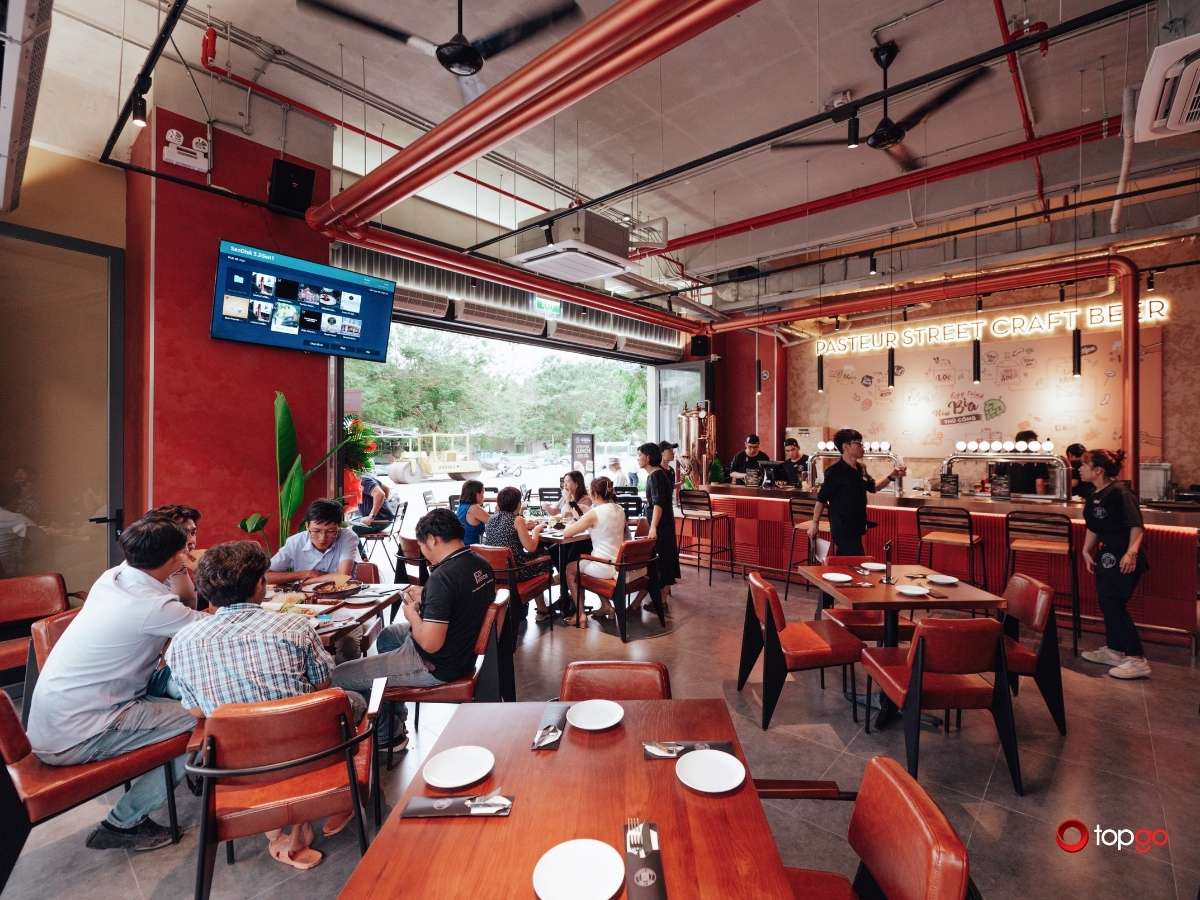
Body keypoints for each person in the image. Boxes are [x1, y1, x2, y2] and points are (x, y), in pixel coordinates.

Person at [166, 540, 360, 870]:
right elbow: (322, 685)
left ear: (205, 591)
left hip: (235, 766)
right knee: (351, 702)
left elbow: (197, 710)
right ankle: (327, 805)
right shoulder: (294, 627)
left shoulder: (181, 642)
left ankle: (277, 827)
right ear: (260, 585)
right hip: (306, 751)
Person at [26, 515, 202, 851]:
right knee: (204, 724)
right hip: (83, 730)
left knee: (182, 688)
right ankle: (123, 822)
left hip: (62, 716)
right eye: (184, 549)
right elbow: (213, 631)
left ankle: (193, 773)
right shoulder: (152, 606)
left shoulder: (114, 577)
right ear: (174, 557)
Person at [333, 509, 496, 746]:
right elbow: (461, 602)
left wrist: (411, 614)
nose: (422, 551)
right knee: (388, 636)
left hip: (435, 663)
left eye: (421, 545)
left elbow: (430, 643)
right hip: (462, 647)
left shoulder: (443, 577)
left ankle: (387, 737)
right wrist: (428, 596)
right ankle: (394, 718)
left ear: (432, 540)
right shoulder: (480, 563)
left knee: (340, 674)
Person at [1079, 449, 1151, 679]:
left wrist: (1131, 553)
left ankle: (1137, 659)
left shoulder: (1121, 492)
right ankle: (1114, 650)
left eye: (1084, 465)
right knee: (1106, 601)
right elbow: (1094, 526)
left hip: (1123, 557)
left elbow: (1136, 525)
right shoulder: (1094, 494)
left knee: (1114, 603)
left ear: (1098, 470)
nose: (1080, 469)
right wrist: (1086, 549)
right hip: (1106, 556)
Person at [809, 428, 905, 555]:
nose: (862, 447)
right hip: (842, 525)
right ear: (846, 446)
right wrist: (814, 523)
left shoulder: (861, 468)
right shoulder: (834, 472)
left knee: (848, 560)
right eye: (858, 443)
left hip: (857, 523)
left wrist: (892, 475)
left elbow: (873, 487)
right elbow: (821, 499)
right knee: (854, 558)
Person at [561, 476, 628, 626]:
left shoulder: (595, 513)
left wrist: (574, 520)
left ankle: (580, 615)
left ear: (594, 493)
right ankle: (606, 606)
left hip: (603, 566)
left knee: (570, 569)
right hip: (618, 564)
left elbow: (567, 533)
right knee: (585, 562)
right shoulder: (619, 509)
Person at [483, 486, 553, 622]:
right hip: (516, 571)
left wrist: (525, 527)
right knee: (543, 556)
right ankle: (542, 608)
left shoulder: (491, 519)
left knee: (537, 556)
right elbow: (531, 547)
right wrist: (536, 530)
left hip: (497, 572)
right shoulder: (517, 520)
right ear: (518, 504)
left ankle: (542, 608)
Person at [268, 498, 357, 584]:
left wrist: (305, 582)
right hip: (302, 594)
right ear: (307, 526)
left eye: (330, 531)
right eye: (316, 531)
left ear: (339, 527)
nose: (322, 538)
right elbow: (266, 576)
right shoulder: (295, 542)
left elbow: (342, 578)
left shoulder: (347, 537)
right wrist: (306, 574)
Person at [640, 442, 680, 612]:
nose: (638, 459)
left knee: (661, 561)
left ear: (648, 457)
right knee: (665, 560)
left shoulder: (655, 476)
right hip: (665, 525)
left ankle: (661, 602)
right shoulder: (659, 474)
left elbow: (658, 504)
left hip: (661, 526)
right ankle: (661, 600)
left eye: (640, 455)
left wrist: (653, 527)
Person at [148, 503, 202, 609]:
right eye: (181, 534)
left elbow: (188, 609)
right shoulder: (145, 580)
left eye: (193, 533)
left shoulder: (176, 567)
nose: (191, 541)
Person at [1004, 429, 1050, 495]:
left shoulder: (1005, 457)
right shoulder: (1039, 459)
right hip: (1030, 499)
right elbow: (1039, 485)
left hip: (1006, 497)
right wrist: (1041, 500)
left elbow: (997, 481)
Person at [351, 470, 394, 538]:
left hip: (379, 521)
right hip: (383, 519)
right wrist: (383, 505)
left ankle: (358, 546)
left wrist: (371, 517)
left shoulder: (362, 481)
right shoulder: (366, 478)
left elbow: (380, 494)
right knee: (351, 522)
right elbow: (386, 489)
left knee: (349, 530)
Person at [456, 479, 489, 545]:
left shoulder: (461, 506)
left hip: (462, 545)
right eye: (482, 493)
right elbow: (496, 523)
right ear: (476, 494)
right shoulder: (474, 508)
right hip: (472, 548)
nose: (483, 497)